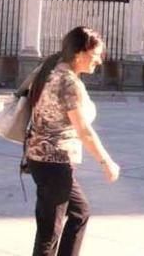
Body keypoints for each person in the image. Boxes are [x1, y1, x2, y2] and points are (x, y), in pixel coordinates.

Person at [26, 27, 120, 256]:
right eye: (95, 54)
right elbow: (84, 130)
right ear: (79, 53)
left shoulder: (50, 69)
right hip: (55, 162)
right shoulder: (68, 83)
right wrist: (106, 162)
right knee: (50, 233)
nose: (98, 61)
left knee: (79, 212)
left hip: (39, 158)